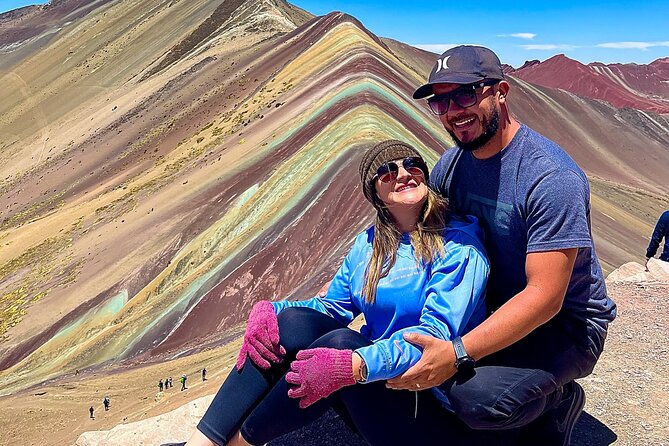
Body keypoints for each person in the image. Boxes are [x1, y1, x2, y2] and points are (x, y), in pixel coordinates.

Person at [175, 141, 490, 446]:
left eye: (412, 165)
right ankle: (204, 442)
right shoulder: (369, 246)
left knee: (339, 344)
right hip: (383, 387)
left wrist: (355, 364)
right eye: (388, 171)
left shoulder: (458, 244)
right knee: (289, 322)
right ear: (376, 194)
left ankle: (240, 444)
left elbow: (434, 338)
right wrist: (271, 311)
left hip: (432, 401)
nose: (404, 174)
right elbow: (331, 308)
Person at [380, 45, 617, 444]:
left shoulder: (550, 177)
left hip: (566, 326)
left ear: (501, 91)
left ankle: (557, 403)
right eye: (441, 100)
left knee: (476, 399)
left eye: (465, 94)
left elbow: (545, 298)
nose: (453, 110)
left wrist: (456, 352)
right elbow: (421, 236)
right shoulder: (452, 165)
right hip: (492, 307)